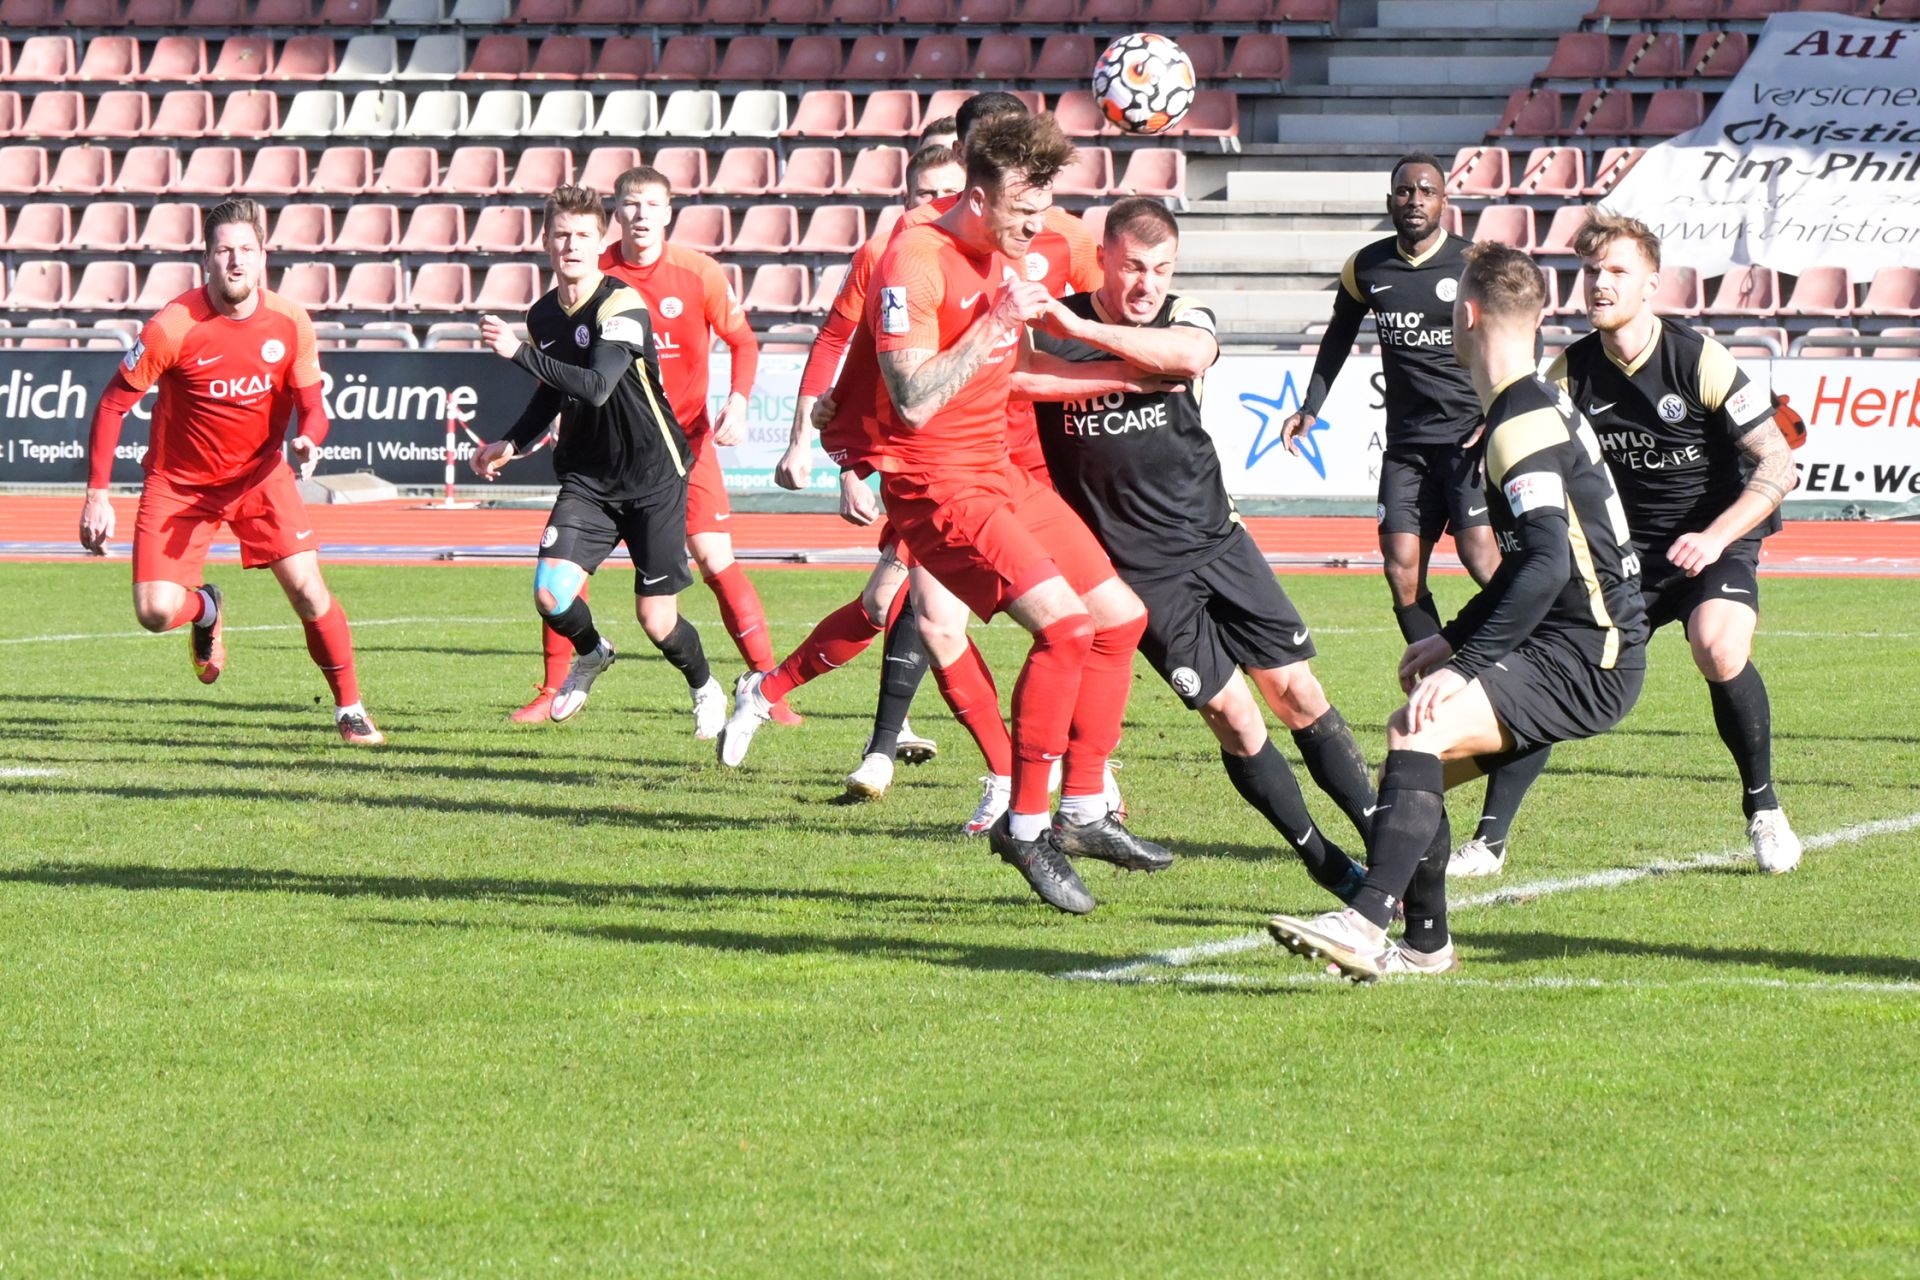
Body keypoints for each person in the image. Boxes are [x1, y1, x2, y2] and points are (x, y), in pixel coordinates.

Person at [734, 111, 1168, 916]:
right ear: (977, 197)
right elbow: (913, 397)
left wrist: (1126, 377)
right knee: (1065, 629)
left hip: (997, 469)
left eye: (1044, 211)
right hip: (935, 482)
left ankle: (1083, 810)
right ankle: (1025, 824)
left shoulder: (1002, 252)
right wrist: (998, 319)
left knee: (1121, 618)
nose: (1036, 230)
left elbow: (1018, 371)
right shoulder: (915, 258)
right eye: (1023, 213)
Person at [1269, 241, 1649, 980]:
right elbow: (1536, 563)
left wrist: (1465, 663)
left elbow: (1545, 564)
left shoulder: (1520, 422)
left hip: (1590, 654)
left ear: (1465, 316)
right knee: (1414, 750)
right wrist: (1451, 638)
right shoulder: (1527, 407)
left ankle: (1365, 924)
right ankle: (1425, 943)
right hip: (1582, 643)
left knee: (1422, 727)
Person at [1027, 198, 1378, 901]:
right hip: (1140, 574)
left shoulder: (1181, 314)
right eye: (1134, 267)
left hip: (1219, 543)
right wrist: (1075, 334)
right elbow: (1016, 378)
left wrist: (1078, 327)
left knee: (1298, 692)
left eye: (1162, 269)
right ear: (1105, 257)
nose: (1147, 284)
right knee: (1234, 717)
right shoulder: (1047, 332)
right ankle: (1324, 861)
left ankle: (1387, 840)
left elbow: (1191, 355)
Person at [1283, 152, 1548, 876]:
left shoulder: (1473, 265)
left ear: (1444, 200)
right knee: (1401, 569)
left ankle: (1509, 651)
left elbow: (1522, 331)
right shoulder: (1366, 268)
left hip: (1467, 443)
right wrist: (1311, 405)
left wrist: (1502, 410)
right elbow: (1338, 333)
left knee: (1486, 559)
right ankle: (1444, 670)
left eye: (1426, 190)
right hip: (1405, 447)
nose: (1414, 200)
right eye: (1404, 190)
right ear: (1391, 198)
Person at [1535, 212, 1798, 873]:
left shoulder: (1699, 359)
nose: (1600, 283)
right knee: (1558, 665)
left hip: (1716, 540)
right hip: (1628, 555)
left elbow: (1778, 462)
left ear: (1651, 284)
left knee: (1718, 645)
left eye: (1617, 271)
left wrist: (1714, 537)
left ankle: (1765, 810)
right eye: (1591, 271)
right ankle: (1489, 841)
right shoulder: (1568, 372)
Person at [78, 197, 384, 746]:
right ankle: (205, 609)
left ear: (263, 257)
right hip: (179, 485)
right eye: (224, 251)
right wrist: (97, 494)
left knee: (309, 592)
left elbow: (313, 407)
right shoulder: (171, 326)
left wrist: (309, 439)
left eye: (246, 249)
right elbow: (111, 406)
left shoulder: (290, 321)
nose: (236, 261)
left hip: (260, 478)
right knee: (154, 612)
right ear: (207, 260)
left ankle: (350, 709)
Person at [507, 165, 797, 727]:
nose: (640, 214)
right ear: (615, 213)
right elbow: (567, 372)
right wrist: (527, 432)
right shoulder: (591, 273)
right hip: (600, 458)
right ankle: (553, 686)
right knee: (562, 579)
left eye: (651, 204)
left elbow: (742, 340)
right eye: (630, 203)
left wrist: (739, 401)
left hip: (681, 442)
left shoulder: (696, 272)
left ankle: (769, 687)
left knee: (713, 560)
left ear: (668, 211)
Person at [471, 185, 725, 738]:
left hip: (653, 475)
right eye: (562, 234)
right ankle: (592, 652)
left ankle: (705, 686)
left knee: (657, 621)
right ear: (546, 241)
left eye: (583, 235)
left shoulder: (621, 304)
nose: (572, 245)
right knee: (549, 594)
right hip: (588, 479)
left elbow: (596, 386)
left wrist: (516, 352)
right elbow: (552, 391)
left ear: (599, 241)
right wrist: (511, 442)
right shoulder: (543, 315)